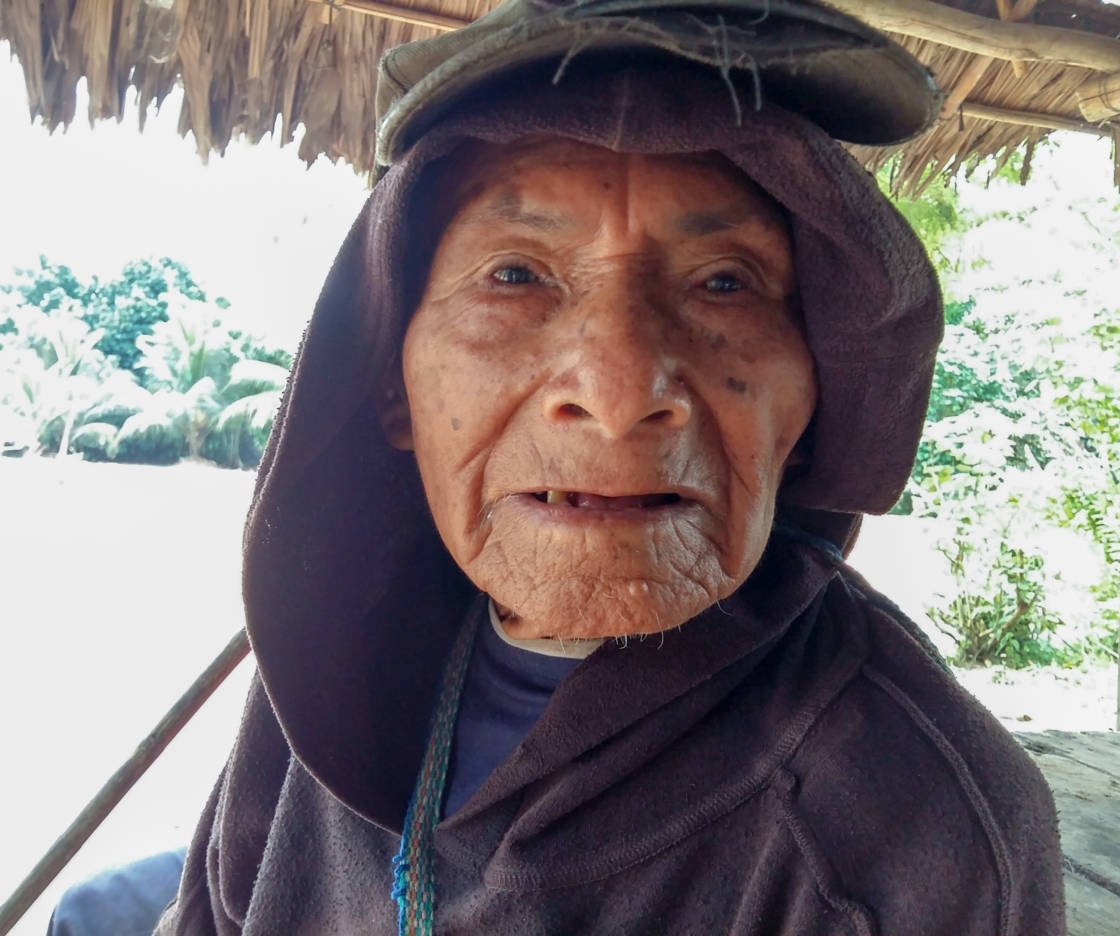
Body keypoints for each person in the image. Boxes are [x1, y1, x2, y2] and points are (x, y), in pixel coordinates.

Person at [147, 0, 1065, 932]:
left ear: (815, 394)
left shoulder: (903, 830)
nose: (621, 392)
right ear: (392, 383)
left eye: (724, 281)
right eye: (515, 274)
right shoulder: (330, 656)